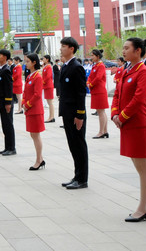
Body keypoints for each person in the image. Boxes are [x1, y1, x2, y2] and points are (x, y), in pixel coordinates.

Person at [112, 38, 146, 222]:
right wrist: (115, 113)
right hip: (127, 124)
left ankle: (143, 209)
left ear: (138, 51)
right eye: (123, 48)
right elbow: (117, 94)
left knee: (143, 168)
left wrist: (121, 117)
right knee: (140, 167)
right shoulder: (125, 70)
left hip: (138, 124)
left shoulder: (144, 71)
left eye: (127, 48)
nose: (123, 51)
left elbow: (139, 100)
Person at [58, 37, 89, 189]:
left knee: (79, 145)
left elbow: (81, 93)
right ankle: (77, 175)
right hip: (67, 112)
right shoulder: (65, 66)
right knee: (73, 145)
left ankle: (82, 178)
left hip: (75, 113)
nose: (61, 49)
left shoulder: (76, 67)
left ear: (71, 48)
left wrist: (80, 115)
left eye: (63, 46)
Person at [23, 54, 45, 170]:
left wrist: (27, 105)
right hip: (29, 110)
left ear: (34, 63)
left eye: (28, 61)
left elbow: (37, 95)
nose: (26, 63)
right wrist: (23, 102)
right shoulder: (30, 76)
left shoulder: (37, 77)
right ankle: (40, 158)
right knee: (33, 134)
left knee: (36, 135)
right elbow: (25, 92)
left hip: (35, 110)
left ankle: (38, 160)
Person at [0, 50, 15, 155]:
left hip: (6, 102)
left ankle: (11, 148)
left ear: (5, 57)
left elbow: (9, 88)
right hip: (1, 102)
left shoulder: (6, 70)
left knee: (8, 125)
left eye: (0, 55)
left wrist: (8, 102)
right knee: (4, 125)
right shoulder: (1, 69)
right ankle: (7, 147)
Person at [88, 49, 109, 139]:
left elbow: (98, 77)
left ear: (98, 56)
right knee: (101, 112)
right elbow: (90, 76)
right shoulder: (95, 65)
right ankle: (104, 131)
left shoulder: (100, 66)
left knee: (101, 112)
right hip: (95, 90)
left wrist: (91, 84)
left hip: (99, 90)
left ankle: (102, 131)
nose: (91, 57)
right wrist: (88, 82)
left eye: (93, 55)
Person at [42, 55, 55, 123]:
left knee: (50, 103)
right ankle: (50, 116)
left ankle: (51, 117)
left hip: (48, 86)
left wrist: (43, 82)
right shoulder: (45, 66)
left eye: (44, 58)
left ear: (47, 59)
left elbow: (48, 76)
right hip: (46, 86)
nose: (43, 59)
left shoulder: (49, 66)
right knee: (49, 102)